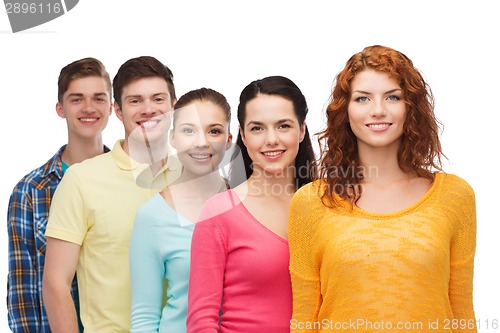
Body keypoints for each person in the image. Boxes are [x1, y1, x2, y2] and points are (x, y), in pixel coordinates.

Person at [288, 45, 477, 332]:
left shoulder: (455, 196)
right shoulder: (310, 203)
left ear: (410, 107)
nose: (378, 110)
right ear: (345, 110)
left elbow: (463, 314)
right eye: (362, 98)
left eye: (392, 97)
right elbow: (303, 320)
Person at [42, 56, 181, 333]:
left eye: (158, 99)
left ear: (173, 105)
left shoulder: (196, 178)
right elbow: (56, 283)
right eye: (135, 101)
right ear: (117, 109)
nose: (148, 109)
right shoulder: (81, 180)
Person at [186, 76, 316, 333]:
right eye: (257, 128)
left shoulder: (325, 206)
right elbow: (202, 320)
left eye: (283, 126)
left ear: (301, 130)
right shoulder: (219, 212)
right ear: (243, 136)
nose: (271, 139)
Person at [7, 57, 112, 333]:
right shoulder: (30, 190)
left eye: (98, 98)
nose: (89, 108)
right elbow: (24, 292)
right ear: (60, 108)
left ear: (112, 107)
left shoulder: (133, 181)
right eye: (77, 99)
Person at [129, 87, 233, 333]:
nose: (201, 142)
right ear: (173, 137)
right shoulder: (152, 216)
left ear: (229, 140)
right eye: (189, 130)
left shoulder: (248, 205)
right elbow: (144, 317)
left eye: (214, 131)